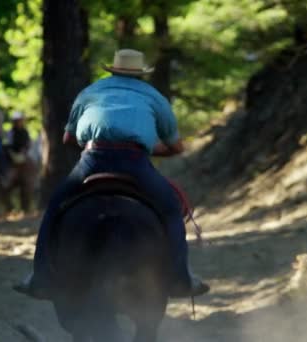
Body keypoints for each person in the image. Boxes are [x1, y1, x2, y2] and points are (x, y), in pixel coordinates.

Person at [15, 49, 209, 299]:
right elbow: (176, 146)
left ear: (113, 70)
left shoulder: (91, 92)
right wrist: (147, 146)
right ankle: (180, 279)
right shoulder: (154, 97)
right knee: (171, 209)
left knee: (54, 207)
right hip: (136, 162)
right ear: (140, 73)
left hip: (92, 160)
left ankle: (40, 277)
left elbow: (68, 138)